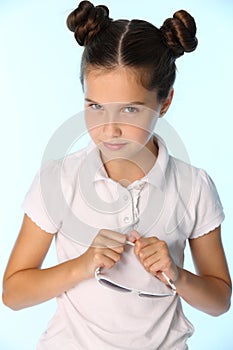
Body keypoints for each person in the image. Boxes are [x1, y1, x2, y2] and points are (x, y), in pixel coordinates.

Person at [2, 1, 232, 349]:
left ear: (165, 101)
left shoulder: (194, 186)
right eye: (95, 107)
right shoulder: (58, 180)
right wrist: (81, 265)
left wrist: (177, 275)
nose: (109, 130)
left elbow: (220, 301)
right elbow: (14, 293)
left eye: (130, 109)